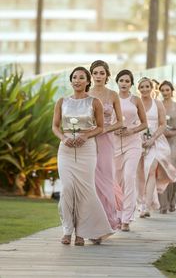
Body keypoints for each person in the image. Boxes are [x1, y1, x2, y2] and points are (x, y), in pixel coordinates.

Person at [52, 66, 114, 246]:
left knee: (85, 191)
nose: (77, 80)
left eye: (81, 78)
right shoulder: (61, 101)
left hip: (86, 149)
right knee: (67, 189)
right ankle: (67, 230)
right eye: (74, 77)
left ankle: (82, 233)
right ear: (71, 81)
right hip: (65, 150)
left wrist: (86, 136)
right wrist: (63, 138)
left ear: (88, 81)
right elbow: (55, 126)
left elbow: (101, 127)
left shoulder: (95, 102)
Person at [89, 60, 123, 229]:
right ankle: (94, 222)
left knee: (106, 178)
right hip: (88, 141)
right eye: (95, 73)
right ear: (91, 75)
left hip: (106, 141)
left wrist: (104, 129)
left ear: (107, 75)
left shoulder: (112, 95)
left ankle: (109, 220)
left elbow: (120, 122)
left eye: (102, 73)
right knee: (91, 181)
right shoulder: (86, 94)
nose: (98, 76)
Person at [137, 77, 176, 217]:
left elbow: (162, 124)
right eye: (142, 87)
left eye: (147, 86)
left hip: (156, 142)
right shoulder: (136, 102)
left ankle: (145, 206)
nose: (145, 89)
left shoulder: (157, 103)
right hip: (138, 141)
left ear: (151, 88)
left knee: (151, 170)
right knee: (141, 173)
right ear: (138, 88)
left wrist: (153, 138)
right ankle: (142, 201)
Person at [114, 69, 147, 231]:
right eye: (121, 80)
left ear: (131, 84)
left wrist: (131, 130)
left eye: (127, 81)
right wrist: (113, 129)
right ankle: (117, 216)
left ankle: (126, 219)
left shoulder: (136, 100)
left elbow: (144, 124)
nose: (124, 84)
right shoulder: (112, 98)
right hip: (114, 144)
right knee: (117, 180)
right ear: (117, 82)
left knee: (129, 177)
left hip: (133, 143)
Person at [158, 80, 176, 213]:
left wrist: (175, 132)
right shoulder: (158, 105)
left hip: (173, 140)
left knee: (173, 169)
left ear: (172, 91)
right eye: (162, 90)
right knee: (162, 169)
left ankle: (172, 202)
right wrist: (161, 131)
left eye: (167, 90)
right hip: (161, 139)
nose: (165, 93)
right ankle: (163, 204)